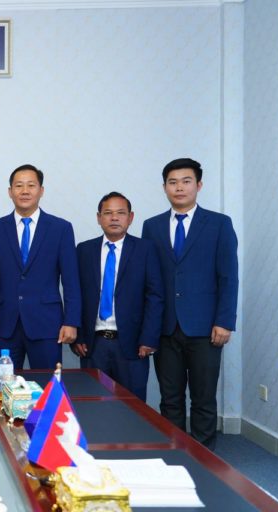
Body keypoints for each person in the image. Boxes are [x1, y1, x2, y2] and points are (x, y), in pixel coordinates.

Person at [142, 158, 238, 450]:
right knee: (170, 398)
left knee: (203, 398)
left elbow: (228, 276)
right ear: (164, 187)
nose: (179, 187)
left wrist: (224, 321)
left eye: (186, 181)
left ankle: (203, 458)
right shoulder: (152, 226)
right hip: (165, 327)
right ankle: (175, 455)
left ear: (199, 185)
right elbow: (149, 280)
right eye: (173, 182)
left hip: (206, 327)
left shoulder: (219, 224)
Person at [0, 164, 81, 370]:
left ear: (41, 190)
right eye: (19, 186)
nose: (25, 191)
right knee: (5, 384)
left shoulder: (61, 228)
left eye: (31, 185)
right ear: (10, 191)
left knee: (48, 384)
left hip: (47, 324)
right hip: (4, 325)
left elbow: (71, 280)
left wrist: (71, 321)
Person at [74, 192, 164, 401]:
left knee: (132, 405)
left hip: (133, 343)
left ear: (130, 217)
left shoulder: (145, 249)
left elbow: (155, 296)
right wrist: (78, 336)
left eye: (121, 213)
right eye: (108, 213)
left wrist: (149, 338)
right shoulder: (84, 250)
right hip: (93, 344)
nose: (114, 218)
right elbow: (76, 294)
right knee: (93, 403)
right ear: (99, 218)